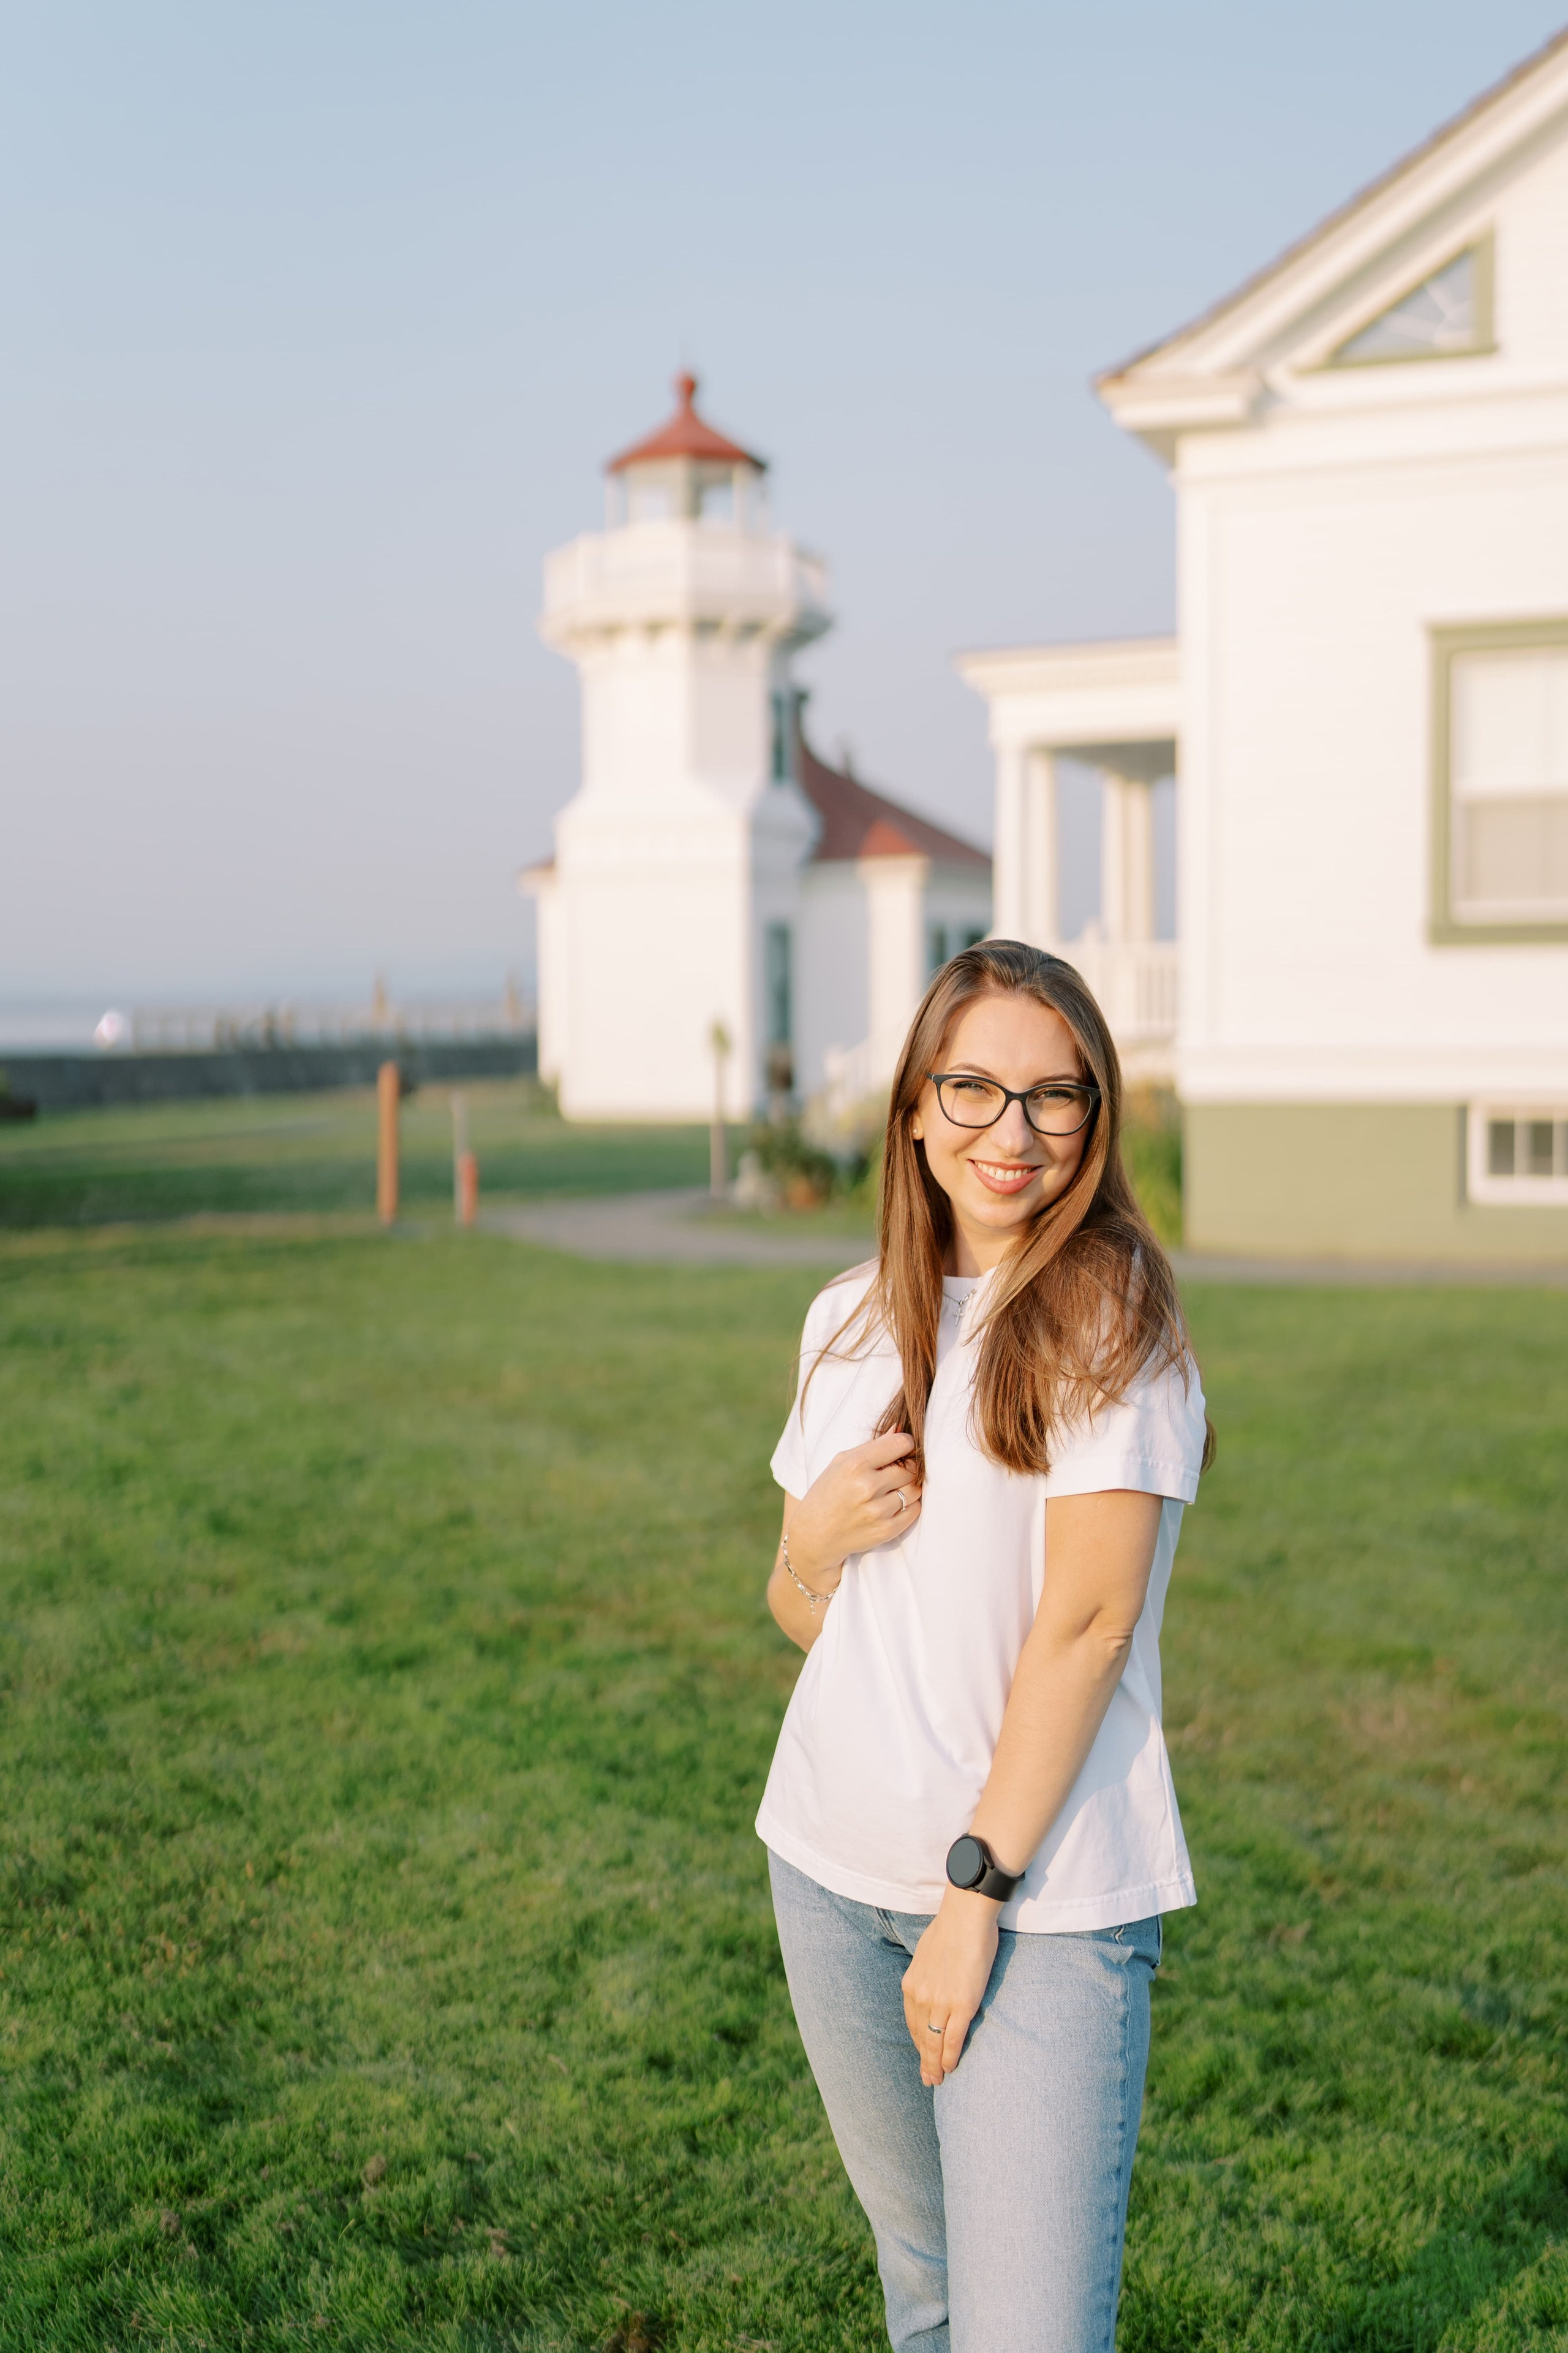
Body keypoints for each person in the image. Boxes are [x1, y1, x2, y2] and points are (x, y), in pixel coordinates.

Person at [758, 939, 1214, 2353]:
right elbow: (798, 1611)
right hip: (830, 1871)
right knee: (929, 2290)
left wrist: (973, 1898)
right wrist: (813, 1539)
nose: (1010, 1134)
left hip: (1035, 1903)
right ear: (912, 1107)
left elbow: (1086, 1626)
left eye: (1051, 1096)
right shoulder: (844, 1323)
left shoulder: (1104, 1321)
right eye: (972, 1089)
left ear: (1093, 1115)